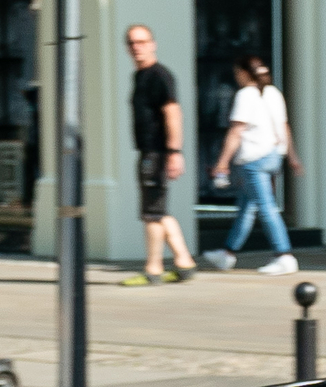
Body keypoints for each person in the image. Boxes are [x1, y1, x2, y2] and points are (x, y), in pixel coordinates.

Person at [202, 55, 300, 276]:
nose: (236, 77)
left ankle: (284, 255)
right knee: (246, 208)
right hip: (273, 155)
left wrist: (222, 163)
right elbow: (284, 127)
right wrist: (292, 156)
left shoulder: (245, 95)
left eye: (237, 73)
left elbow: (236, 131)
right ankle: (227, 253)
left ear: (244, 73)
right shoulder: (273, 93)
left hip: (254, 160)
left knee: (266, 208)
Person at [119, 24, 196, 286]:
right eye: (131, 43)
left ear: (153, 44)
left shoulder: (160, 76)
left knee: (152, 213)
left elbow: (173, 113)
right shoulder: (139, 76)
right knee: (159, 211)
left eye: (141, 42)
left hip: (157, 152)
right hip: (148, 151)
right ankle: (184, 262)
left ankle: (153, 269)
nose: (136, 47)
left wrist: (174, 152)